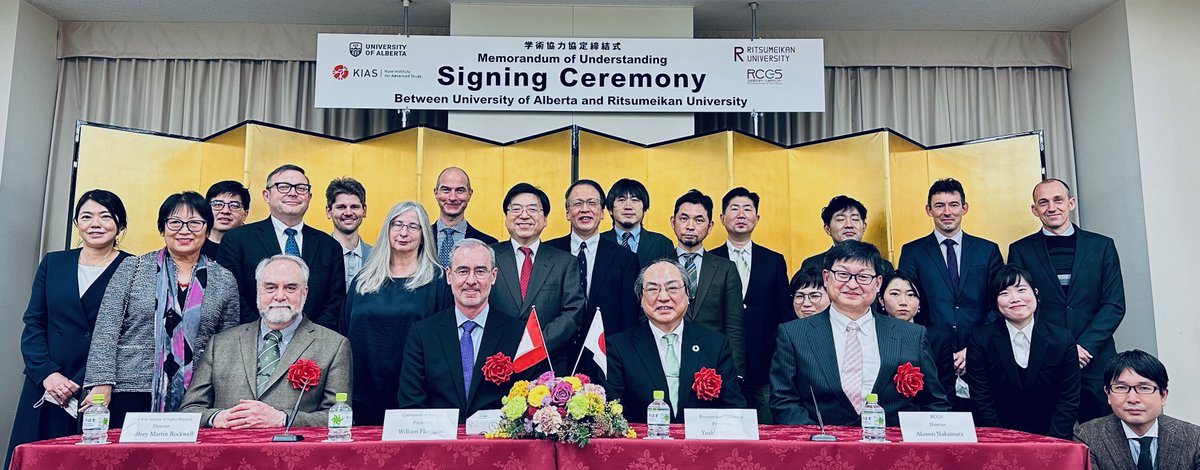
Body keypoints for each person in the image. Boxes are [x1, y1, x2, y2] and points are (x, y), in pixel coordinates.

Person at [84, 191, 240, 427]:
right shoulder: (133, 268)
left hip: (196, 395)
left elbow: (228, 342)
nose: (184, 230)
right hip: (131, 388)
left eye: (195, 223)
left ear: (207, 230)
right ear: (162, 227)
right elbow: (106, 328)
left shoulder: (224, 279)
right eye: (175, 222)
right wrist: (101, 382)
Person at [6, 190, 132, 466]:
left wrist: (83, 378)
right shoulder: (54, 262)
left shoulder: (133, 268)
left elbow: (131, 334)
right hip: (48, 382)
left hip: (98, 384)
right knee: (38, 457)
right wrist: (47, 374)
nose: (95, 224)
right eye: (86, 216)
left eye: (105, 217)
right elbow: (35, 322)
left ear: (120, 224)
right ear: (76, 223)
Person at [771, 240, 949, 426]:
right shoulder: (794, 334)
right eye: (842, 274)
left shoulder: (912, 335)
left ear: (878, 282)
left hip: (892, 449)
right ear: (826, 278)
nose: (852, 284)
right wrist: (818, 440)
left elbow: (934, 402)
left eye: (863, 277)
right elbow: (783, 401)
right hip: (822, 447)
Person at [180, 255, 352, 429]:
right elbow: (189, 410)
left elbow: (340, 417)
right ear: (258, 291)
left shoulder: (334, 346)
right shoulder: (220, 344)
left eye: (290, 288)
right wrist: (217, 417)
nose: (279, 296)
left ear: (304, 293)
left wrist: (283, 419)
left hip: (293, 453)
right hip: (229, 453)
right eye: (270, 287)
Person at [1008, 178, 1125, 422]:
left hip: (1095, 358)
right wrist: (1059, 348)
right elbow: (1019, 305)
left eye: (1058, 200)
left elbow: (1114, 305)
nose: (1052, 207)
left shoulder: (1102, 246)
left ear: (1070, 203)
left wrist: (1084, 348)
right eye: (1043, 202)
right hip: (1045, 358)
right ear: (1034, 209)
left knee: (1102, 434)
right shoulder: (1020, 250)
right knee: (1049, 437)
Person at [396, 239, 546, 423]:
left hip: (500, 444)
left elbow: (531, 402)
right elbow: (411, 404)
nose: (471, 280)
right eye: (463, 271)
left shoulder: (520, 334)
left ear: (493, 276)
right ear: (449, 276)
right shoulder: (422, 334)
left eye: (480, 271)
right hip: (440, 445)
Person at [338, 202, 451, 425]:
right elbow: (343, 332)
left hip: (415, 395)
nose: (403, 232)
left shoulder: (437, 281)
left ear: (424, 234)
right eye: (397, 224)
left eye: (413, 226)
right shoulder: (363, 280)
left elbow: (444, 343)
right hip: (362, 392)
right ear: (387, 230)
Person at [897, 178, 1003, 410]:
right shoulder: (912, 251)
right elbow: (907, 302)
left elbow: (998, 303)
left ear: (964, 208)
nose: (947, 212)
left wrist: (973, 348)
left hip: (981, 354)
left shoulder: (988, 250)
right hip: (930, 355)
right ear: (929, 210)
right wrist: (935, 348)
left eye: (953, 205)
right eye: (939, 205)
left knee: (985, 429)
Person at [604, 260, 746, 423]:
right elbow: (614, 415)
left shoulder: (716, 345)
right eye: (652, 289)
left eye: (672, 288)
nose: (663, 297)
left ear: (688, 294)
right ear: (641, 300)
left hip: (701, 446)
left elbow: (734, 410)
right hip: (644, 446)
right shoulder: (618, 347)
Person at [218, 164, 346, 328]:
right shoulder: (237, 240)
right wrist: (265, 334)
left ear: (309, 197)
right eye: (283, 187)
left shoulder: (329, 246)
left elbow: (335, 301)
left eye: (301, 188)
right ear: (267, 195)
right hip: (252, 341)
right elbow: (232, 297)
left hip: (314, 345)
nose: (293, 193)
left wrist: (308, 337)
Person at [965, 265, 1079, 439]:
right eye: (1004, 293)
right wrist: (1002, 441)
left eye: (1021, 290)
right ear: (995, 301)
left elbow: (1068, 399)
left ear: (1035, 293)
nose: (1015, 299)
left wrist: (1052, 443)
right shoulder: (981, 339)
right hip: (999, 440)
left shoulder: (1063, 339)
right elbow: (982, 399)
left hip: (1051, 438)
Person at [708, 187, 788, 423]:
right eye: (734, 209)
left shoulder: (773, 260)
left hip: (764, 362)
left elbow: (783, 313)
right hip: (720, 360)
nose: (741, 214)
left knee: (766, 429)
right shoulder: (711, 260)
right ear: (722, 218)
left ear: (757, 218)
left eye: (747, 209)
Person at [488, 183, 586, 372]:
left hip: (548, 365)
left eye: (532, 209)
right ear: (506, 217)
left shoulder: (564, 262)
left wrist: (534, 346)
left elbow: (573, 312)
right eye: (516, 209)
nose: (524, 215)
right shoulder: (488, 256)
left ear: (545, 218)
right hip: (495, 363)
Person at [544, 180, 640, 359]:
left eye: (592, 203)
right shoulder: (549, 252)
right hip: (555, 357)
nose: (585, 209)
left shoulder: (625, 259)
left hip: (604, 357)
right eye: (577, 203)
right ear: (567, 213)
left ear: (602, 213)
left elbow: (628, 319)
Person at [1075, 350, 1200, 469]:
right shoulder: (1086, 438)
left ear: (1163, 395)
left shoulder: (1194, 438)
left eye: (1144, 388)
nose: (1133, 399)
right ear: (1108, 394)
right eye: (1121, 388)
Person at [670, 189, 746, 377]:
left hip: (713, 362)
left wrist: (735, 372)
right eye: (684, 218)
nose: (690, 226)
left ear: (710, 226)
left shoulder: (725, 268)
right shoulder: (658, 266)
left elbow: (734, 326)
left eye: (699, 220)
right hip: (668, 357)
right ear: (673, 222)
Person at [798, 195, 894, 273]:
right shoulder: (812, 265)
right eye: (840, 219)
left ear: (864, 227)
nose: (849, 225)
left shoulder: (884, 267)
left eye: (855, 219)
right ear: (827, 229)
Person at [430, 167, 498, 268]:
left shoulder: (488, 244)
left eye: (460, 190)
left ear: (469, 194)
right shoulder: (420, 239)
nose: (452, 197)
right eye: (446, 190)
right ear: (436, 193)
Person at [600, 178, 675, 267]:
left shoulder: (662, 244)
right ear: (610, 209)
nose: (628, 206)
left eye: (635, 200)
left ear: (644, 209)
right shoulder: (598, 242)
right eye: (621, 200)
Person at [325, 177, 371, 291]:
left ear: (364, 211)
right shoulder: (318, 255)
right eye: (341, 207)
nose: (348, 213)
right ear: (329, 211)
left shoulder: (376, 257)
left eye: (354, 207)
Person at [202, 180, 250, 259]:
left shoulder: (255, 246)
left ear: (245, 214)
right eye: (217, 204)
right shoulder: (194, 245)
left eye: (234, 205)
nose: (225, 211)